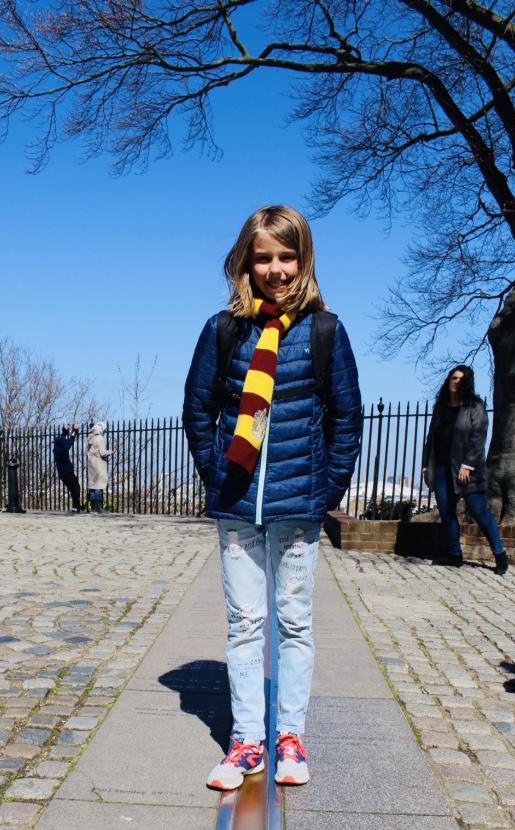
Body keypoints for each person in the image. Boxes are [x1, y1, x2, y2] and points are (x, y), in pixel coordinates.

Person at [183, 204, 362, 790]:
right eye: (264, 258)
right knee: (243, 624)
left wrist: (326, 488)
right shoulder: (224, 329)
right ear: (246, 262)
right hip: (237, 504)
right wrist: (217, 473)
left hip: (299, 505)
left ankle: (290, 735)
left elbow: (346, 419)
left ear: (304, 260)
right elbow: (198, 409)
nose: (276, 270)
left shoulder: (325, 331)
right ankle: (246, 741)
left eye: (288, 257)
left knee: (295, 623)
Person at [422, 364, 509, 574]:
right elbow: (430, 439)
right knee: (446, 512)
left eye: (461, 379)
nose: (456, 382)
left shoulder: (475, 407)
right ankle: (455, 555)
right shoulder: (440, 408)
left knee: (479, 511)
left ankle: (500, 554)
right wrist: (426, 467)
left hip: (467, 470)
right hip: (441, 468)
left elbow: (478, 438)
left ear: (467, 383)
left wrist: (467, 465)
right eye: (453, 378)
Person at [53, 424, 82, 512]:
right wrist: (75, 431)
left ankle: (76, 507)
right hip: (67, 472)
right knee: (76, 488)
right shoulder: (62, 449)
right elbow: (69, 443)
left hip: (62, 473)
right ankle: (76, 507)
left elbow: (63, 440)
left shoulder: (56, 448)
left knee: (73, 488)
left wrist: (64, 431)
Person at [87, 421, 112, 513]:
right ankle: (98, 508)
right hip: (99, 464)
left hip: (91, 464)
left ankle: (93, 507)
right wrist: (110, 451)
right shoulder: (100, 438)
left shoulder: (90, 438)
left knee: (93, 486)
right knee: (98, 485)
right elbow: (103, 453)